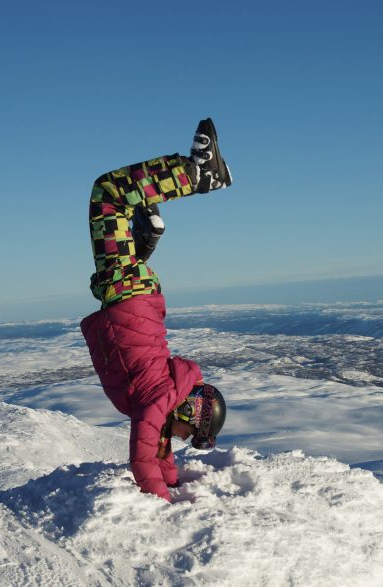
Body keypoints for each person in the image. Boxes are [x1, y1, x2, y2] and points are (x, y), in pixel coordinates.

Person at [80, 118, 231, 502]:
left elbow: (160, 453)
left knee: (114, 235)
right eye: (188, 433)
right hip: (128, 296)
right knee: (108, 194)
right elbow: (143, 458)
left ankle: (142, 237)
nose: (180, 439)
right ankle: (197, 174)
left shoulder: (164, 401)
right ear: (189, 412)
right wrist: (161, 505)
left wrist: (174, 483)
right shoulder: (159, 399)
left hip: (135, 298)